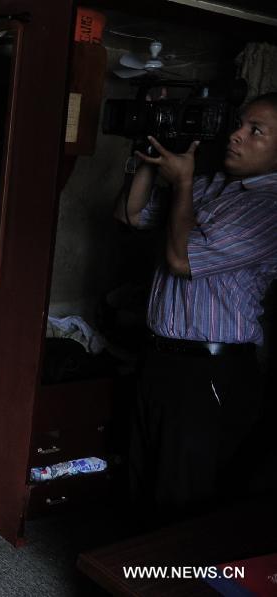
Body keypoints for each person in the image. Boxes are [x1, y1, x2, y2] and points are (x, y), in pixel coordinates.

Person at [115, 92, 277, 522]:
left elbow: (181, 259)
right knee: (142, 480)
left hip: (209, 373)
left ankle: (172, 584)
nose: (236, 136)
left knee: (183, 495)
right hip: (160, 360)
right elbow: (132, 215)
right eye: (239, 124)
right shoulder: (212, 187)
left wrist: (182, 184)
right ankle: (130, 581)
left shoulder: (268, 209)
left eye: (255, 131)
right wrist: (149, 157)